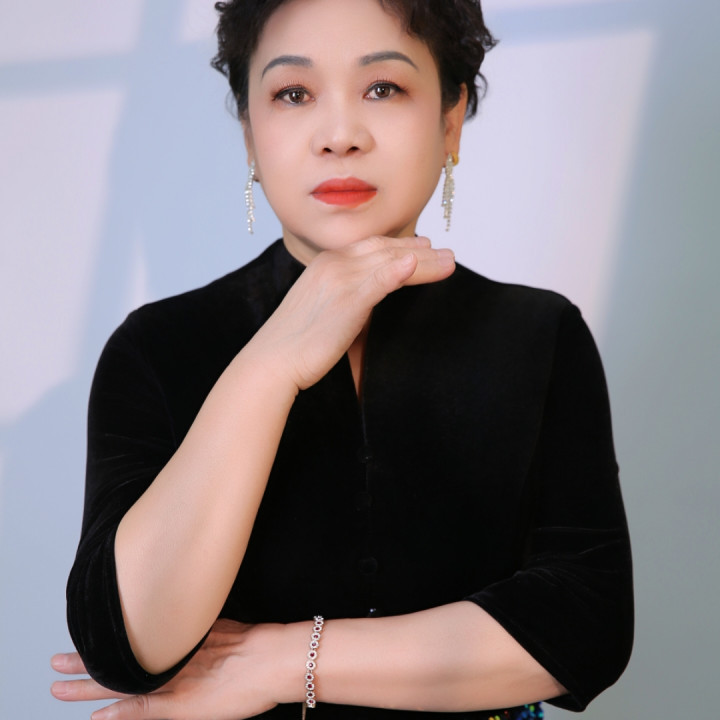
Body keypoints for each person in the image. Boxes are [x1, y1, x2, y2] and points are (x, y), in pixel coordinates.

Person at [51, 1, 633, 719]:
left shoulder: (539, 334)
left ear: (451, 121)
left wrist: (273, 662)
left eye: (383, 88)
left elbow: (587, 626)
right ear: (249, 133)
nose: (340, 136)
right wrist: (272, 363)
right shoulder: (156, 346)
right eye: (293, 93)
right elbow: (127, 644)